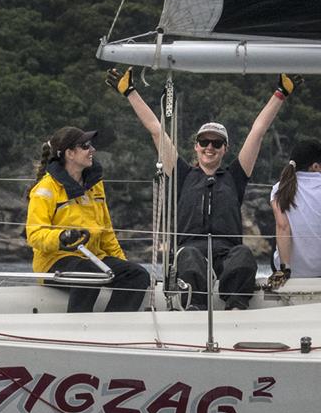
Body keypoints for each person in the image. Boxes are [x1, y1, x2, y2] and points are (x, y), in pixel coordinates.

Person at [107, 67, 301, 310]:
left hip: (227, 253)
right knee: (188, 257)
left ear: (225, 149)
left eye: (217, 143)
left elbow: (258, 132)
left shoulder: (235, 176)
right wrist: (130, 92)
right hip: (191, 251)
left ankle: (236, 306)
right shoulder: (182, 174)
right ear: (196, 147)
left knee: (243, 255)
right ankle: (194, 306)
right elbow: (157, 130)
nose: (210, 147)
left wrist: (280, 93)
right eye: (204, 142)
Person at [26, 126, 150, 313]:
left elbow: (106, 232)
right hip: (55, 261)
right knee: (89, 274)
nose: (92, 150)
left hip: (94, 258)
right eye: (85, 146)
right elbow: (34, 235)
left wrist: (122, 265)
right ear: (70, 153)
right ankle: (78, 329)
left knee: (137, 274)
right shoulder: (45, 190)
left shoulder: (95, 186)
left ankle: (113, 329)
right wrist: (62, 237)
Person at [266, 139, 321, 289]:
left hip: (290, 270)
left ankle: (283, 269)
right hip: (320, 269)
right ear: (316, 166)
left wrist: (284, 270)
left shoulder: (279, 188)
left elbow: (283, 227)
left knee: (280, 231)